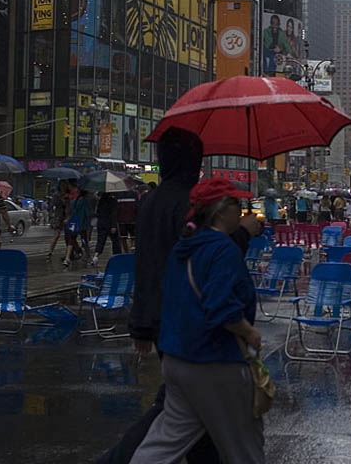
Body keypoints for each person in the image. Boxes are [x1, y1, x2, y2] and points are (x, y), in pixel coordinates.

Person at [98, 128, 221, 464]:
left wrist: (141, 323)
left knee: (192, 411)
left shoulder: (151, 200)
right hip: (190, 323)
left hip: (164, 320)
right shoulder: (189, 205)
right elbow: (201, 262)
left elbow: (146, 263)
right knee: (182, 408)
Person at [129, 178, 264, 464]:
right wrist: (250, 333)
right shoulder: (223, 249)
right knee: (244, 447)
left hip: (177, 360)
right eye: (236, 205)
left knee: (164, 443)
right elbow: (222, 308)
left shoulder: (184, 247)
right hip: (214, 362)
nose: (240, 212)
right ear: (220, 210)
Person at [63, 188, 93, 269]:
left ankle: (67, 258)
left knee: (71, 240)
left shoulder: (74, 201)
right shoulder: (85, 201)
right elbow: (88, 213)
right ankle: (89, 258)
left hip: (74, 224)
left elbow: (70, 212)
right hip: (82, 224)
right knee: (84, 240)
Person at [93, 191, 122, 266]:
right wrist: (113, 225)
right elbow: (114, 214)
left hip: (101, 223)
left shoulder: (100, 201)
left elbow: (97, 212)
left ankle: (95, 256)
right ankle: (117, 257)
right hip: (110, 224)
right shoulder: (113, 201)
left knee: (100, 241)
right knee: (115, 242)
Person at [48, 180, 71, 259]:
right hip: (59, 216)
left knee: (68, 237)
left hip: (67, 216)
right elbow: (52, 206)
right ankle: (50, 251)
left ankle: (68, 254)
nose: (63, 187)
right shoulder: (56, 195)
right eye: (62, 185)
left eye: (65, 185)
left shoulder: (69, 195)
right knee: (56, 235)